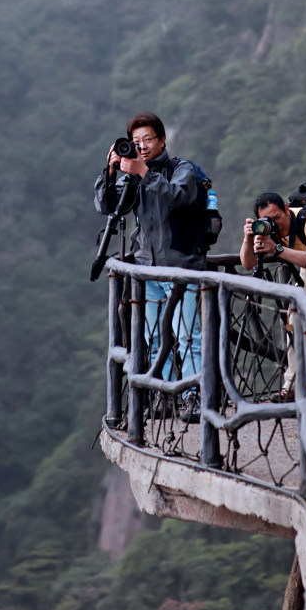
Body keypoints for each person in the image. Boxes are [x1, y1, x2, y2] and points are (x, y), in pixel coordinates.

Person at [94, 112, 204, 422]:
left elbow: (180, 198)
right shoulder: (132, 175)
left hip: (181, 269)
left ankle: (193, 396)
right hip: (147, 270)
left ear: (162, 140)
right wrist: (112, 171)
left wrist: (145, 173)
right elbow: (107, 206)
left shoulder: (181, 168)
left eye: (147, 140)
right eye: (135, 142)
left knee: (187, 336)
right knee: (154, 337)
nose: (141, 146)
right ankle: (162, 396)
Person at [239, 191, 306, 397]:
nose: (276, 224)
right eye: (268, 220)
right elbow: (248, 264)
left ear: (286, 209)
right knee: (293, 321)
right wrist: (249, 239)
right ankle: (292, 386)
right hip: (305, 277)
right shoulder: (268, 230)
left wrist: (277, 249)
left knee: (302, 320)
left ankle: (303, 385)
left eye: (277, 217)